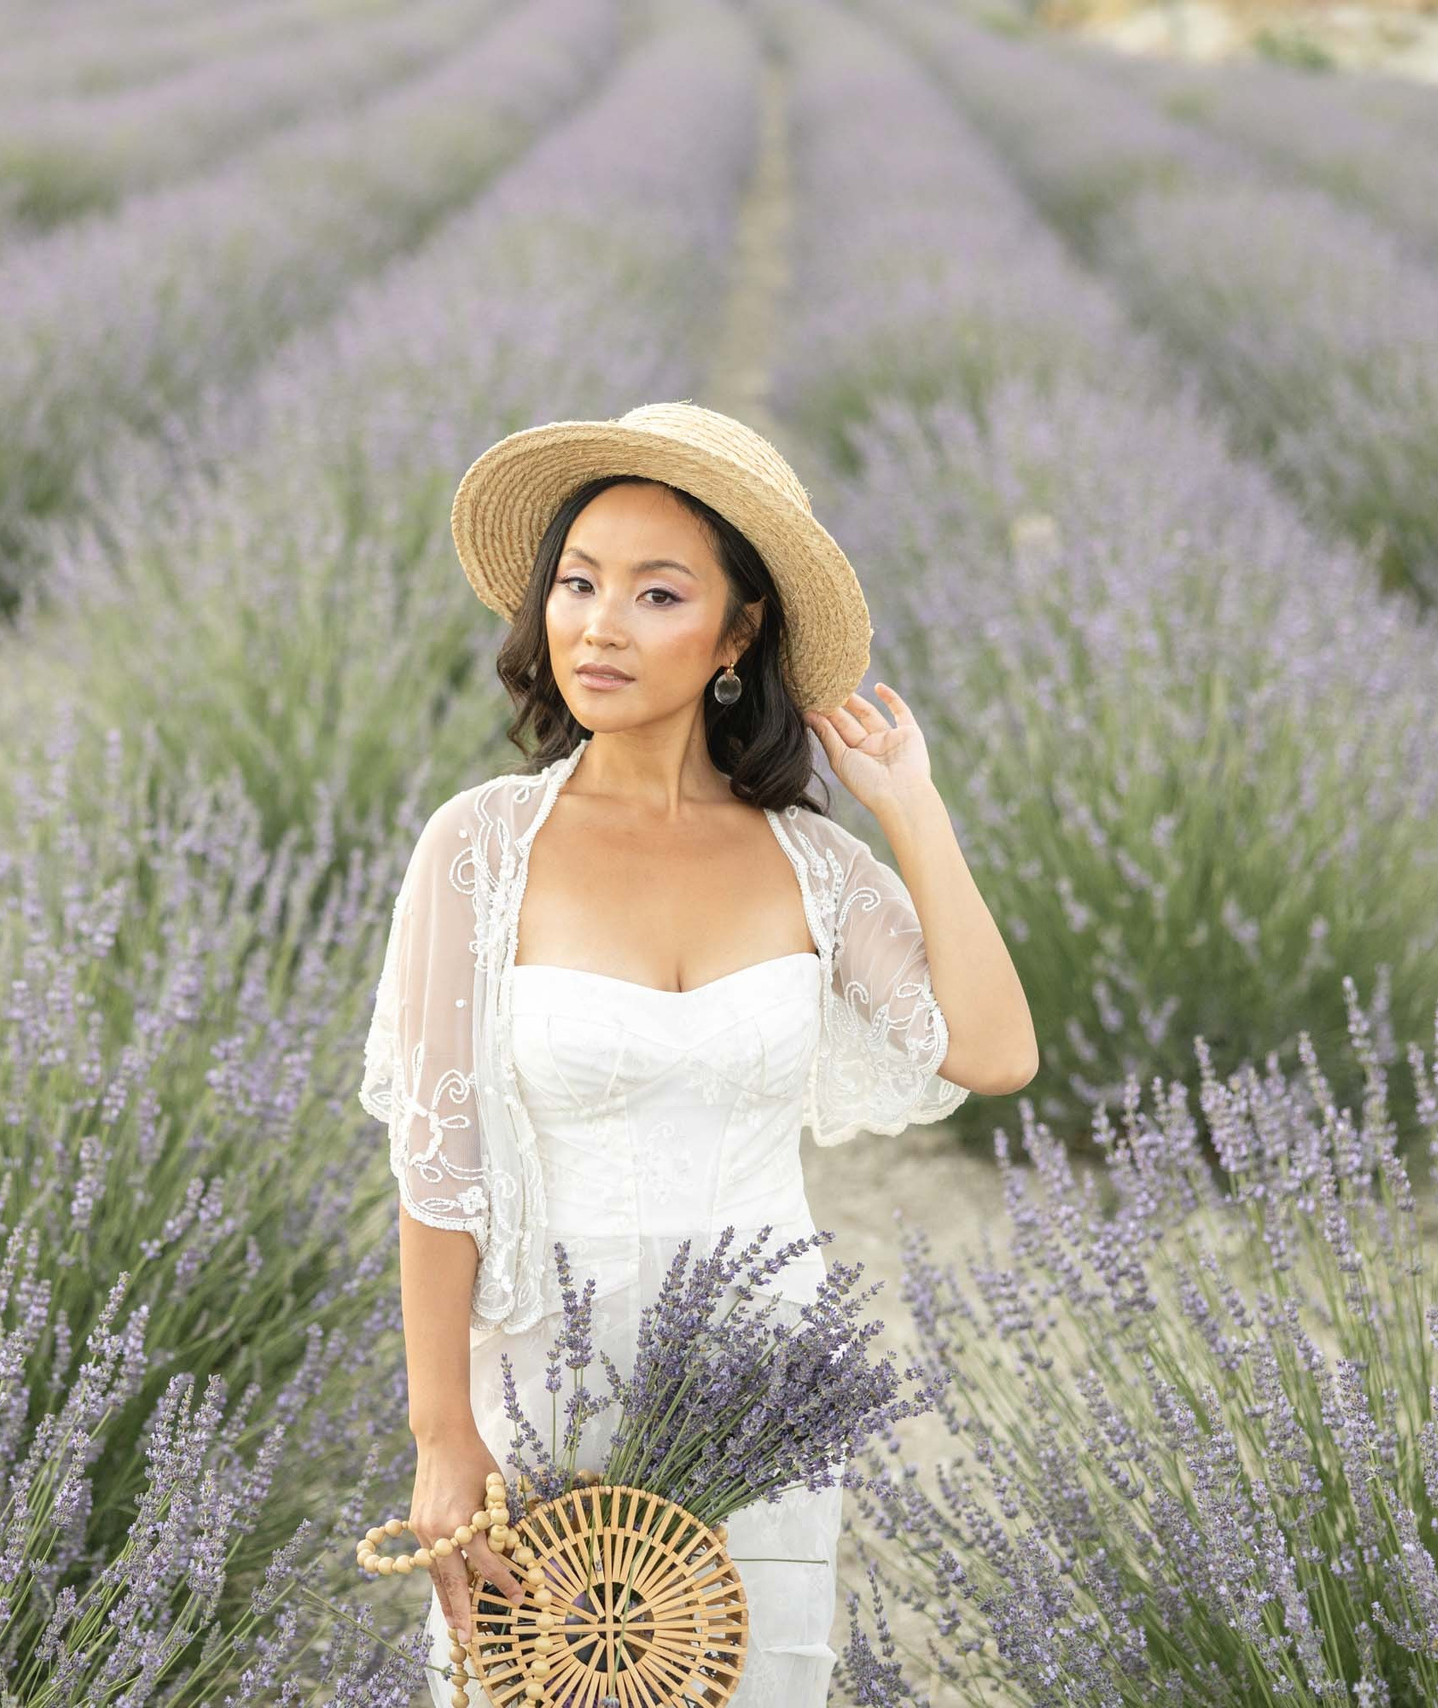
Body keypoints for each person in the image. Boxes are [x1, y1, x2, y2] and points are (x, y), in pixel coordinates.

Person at [360, 401, 1038, 1706]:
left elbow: (995, 1050)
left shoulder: (810, 867)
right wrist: (443, 1439)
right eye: (577, 583)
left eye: (655, 593)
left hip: (762, 1391)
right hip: (541, 1392)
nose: (599, 626)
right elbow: (436, 1171)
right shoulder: (480, 847)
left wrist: (912, 808)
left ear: (737, 637)